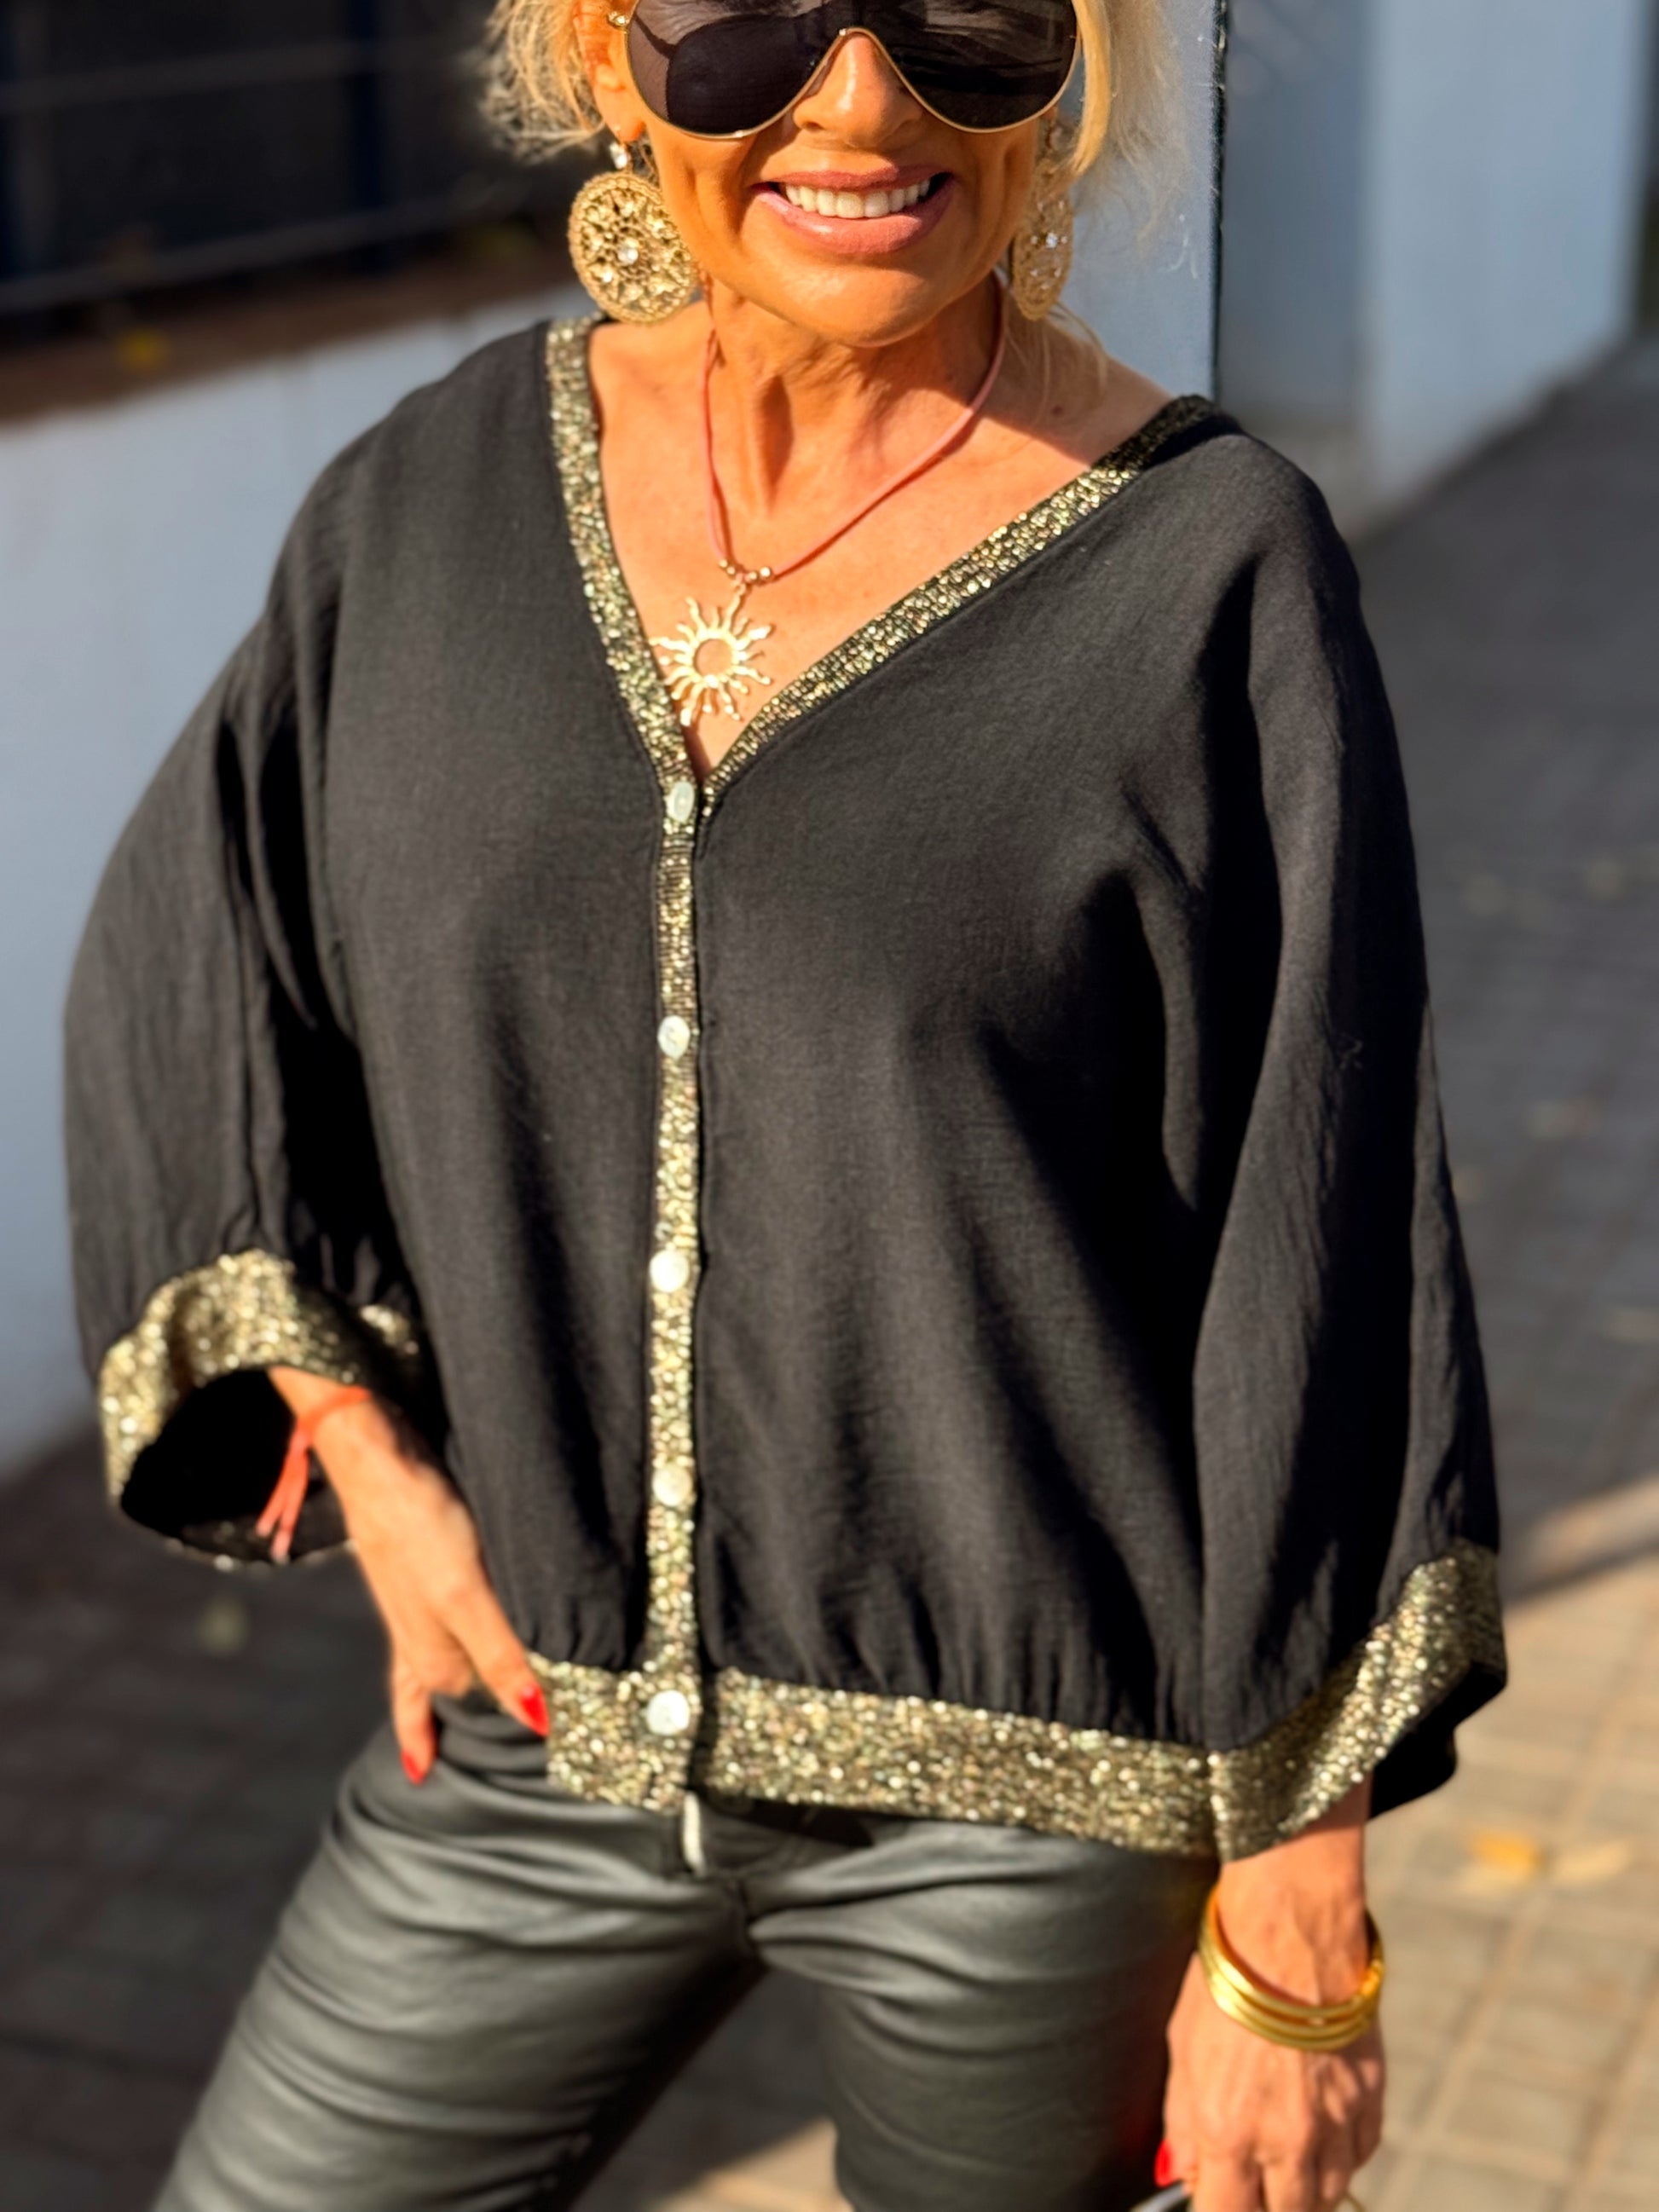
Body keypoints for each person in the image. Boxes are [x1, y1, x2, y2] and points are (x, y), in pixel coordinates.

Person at [64, 1, 1502, 2207]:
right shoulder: (432, 504)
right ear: (607, 56)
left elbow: (1322, 1229)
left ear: (1067, 71)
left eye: (962, 19)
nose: (857, 100)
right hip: (533, 1746)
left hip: (1036, 1818)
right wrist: (356, 1437)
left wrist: (1298, 1932)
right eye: (750, 15)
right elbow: (211, 938)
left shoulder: (1207, 566)